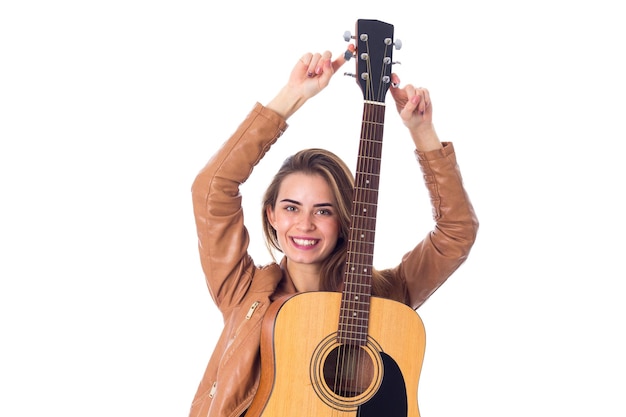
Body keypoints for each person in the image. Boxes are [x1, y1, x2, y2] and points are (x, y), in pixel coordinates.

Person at [188, 48, 478, 417]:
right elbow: (211, 189)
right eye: (291, 207)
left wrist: (423, 132)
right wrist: (292, 97)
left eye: (322, 211)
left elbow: (457, 232)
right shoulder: (244, 291)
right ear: (271, 215)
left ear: (344, 220)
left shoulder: (386, 297)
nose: (304, 224)